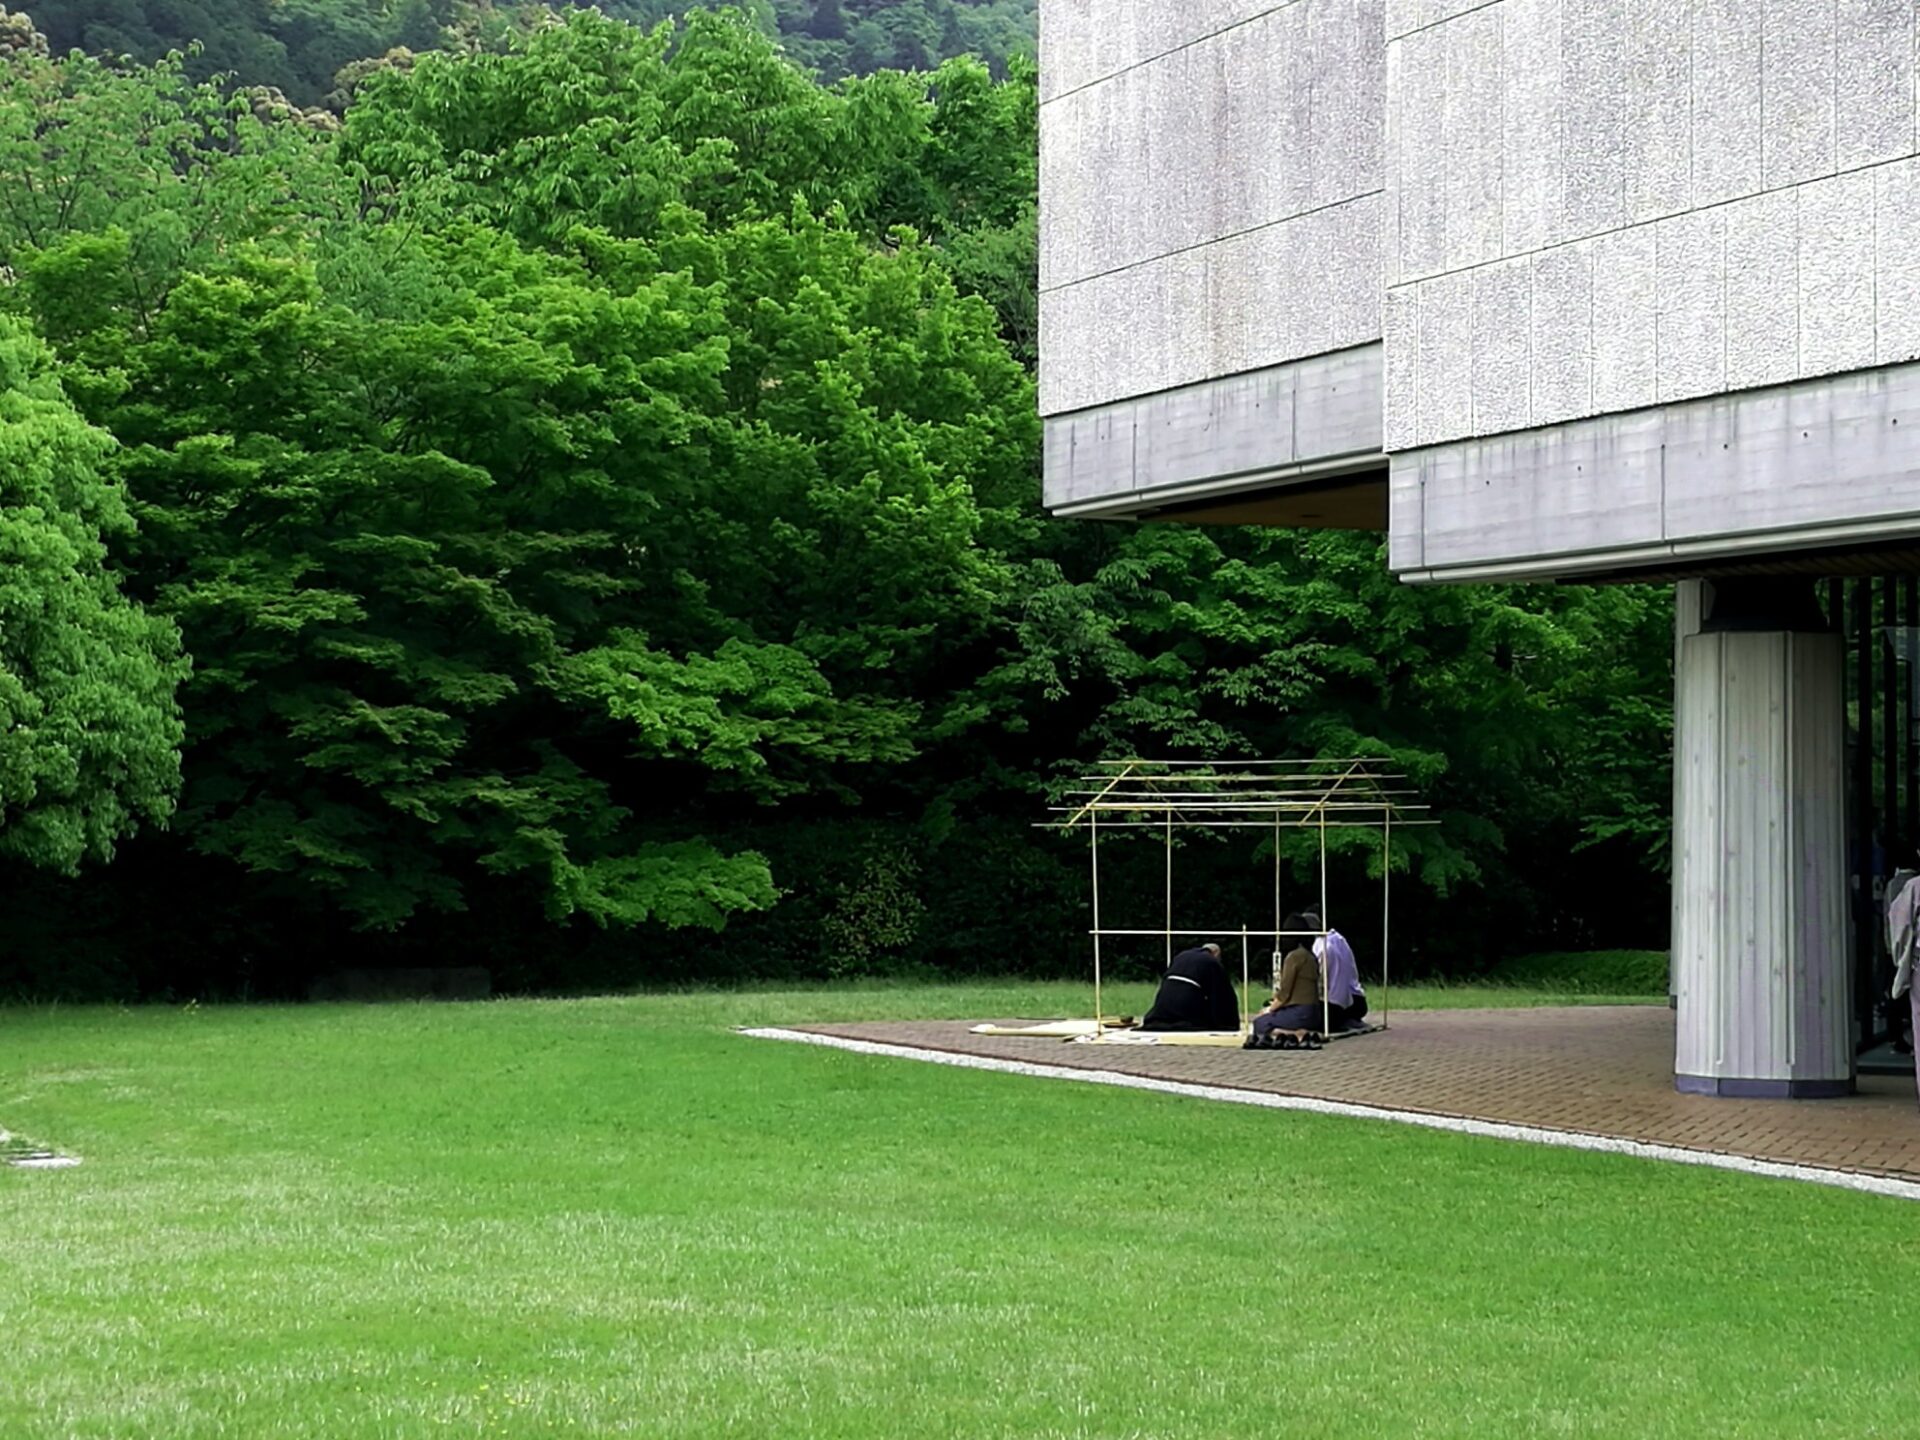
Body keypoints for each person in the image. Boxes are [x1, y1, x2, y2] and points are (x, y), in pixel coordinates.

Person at [1251, 915, 1324, 1042]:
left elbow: (1285, 992)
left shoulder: (1294, 957)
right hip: (1315, 1012)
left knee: (1260, 1023)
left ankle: (1295, 1034)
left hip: (1299, 1012)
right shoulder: (1311, 956)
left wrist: (1269, 1010)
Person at [1141, 942, 1241, 1031]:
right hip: (1186, 1002)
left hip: (1163, 1001)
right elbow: (1221, 993)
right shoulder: (1211, 961)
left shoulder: (1182, 955)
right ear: (1216, 954)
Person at [1306, 907, 1368, 1031]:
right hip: (1356, 1000)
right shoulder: (1339, 939)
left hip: (1336, 1006)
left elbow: (1320, 983)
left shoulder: (1322, 947)